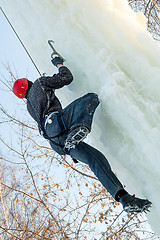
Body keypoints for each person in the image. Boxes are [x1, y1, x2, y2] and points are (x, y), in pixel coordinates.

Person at [12, 56, 152, 214]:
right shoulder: (39, 83)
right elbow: (66, 78)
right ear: (28, 83)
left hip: (57, 143)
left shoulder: (30, 108)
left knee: (96, 160)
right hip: (57, 124)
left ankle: (124, 198)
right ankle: (79, 128)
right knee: (90, 98)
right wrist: (59, 64)